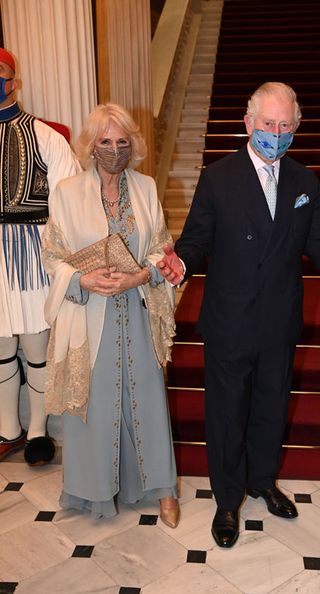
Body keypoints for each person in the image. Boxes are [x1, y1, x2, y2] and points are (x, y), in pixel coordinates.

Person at [157, 82, 320, 547]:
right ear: (248, 124)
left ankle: (263, 480)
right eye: (268, 124)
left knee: (270, 405)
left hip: (279, 317)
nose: (277, 133)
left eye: (286, 126)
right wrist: (180, 263)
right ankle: (227, 500)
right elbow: (197, 239)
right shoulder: (218, 177)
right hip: (230, 318)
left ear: (296, 128)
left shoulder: (305, 182)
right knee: (226, 413)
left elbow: (318, 241)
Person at [41, 103, 179, 526]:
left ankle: (162, 489)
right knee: (95, 403)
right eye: (105, 141)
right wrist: (82, 283)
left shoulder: (146, 188)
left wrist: (140, 276)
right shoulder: (66, 193)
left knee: (148, 398)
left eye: (122, 142)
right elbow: (53, 256)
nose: (114, 149)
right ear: (90, 145)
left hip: (136, 311)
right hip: (90, 315)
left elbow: (162, 247)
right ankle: (94, 488)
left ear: (132, 145)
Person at [0, 47, 80, 465]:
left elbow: (69, 199)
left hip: (31, 251)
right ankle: (6, 428)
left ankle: (36, 430)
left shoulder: (47, 136)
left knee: (35, 342)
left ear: (15, 79)